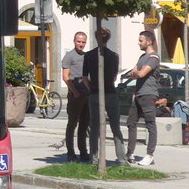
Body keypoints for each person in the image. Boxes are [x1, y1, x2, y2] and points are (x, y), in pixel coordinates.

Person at [83, 27, 123, 164]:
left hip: (95, 93)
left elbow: (84, 77)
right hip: (110, 92)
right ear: (108, 38)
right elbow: (114, 77)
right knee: (115, 127)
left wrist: (91, 88)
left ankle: (94, 158)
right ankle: (122, 158)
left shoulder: (88, 55)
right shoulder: (114, 56)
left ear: (96, 38)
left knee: (94, 127)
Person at [125, 29, 162, 167]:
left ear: (149, 42)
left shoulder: (154, 57)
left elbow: (140, 74)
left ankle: (150, 155)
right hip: (138, 94)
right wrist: (136, 72)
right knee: (131, 122)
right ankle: (130, 153)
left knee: (150, 123)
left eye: (141, 40)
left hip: (148, 94)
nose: (138, 43)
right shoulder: (142, 57)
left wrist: (136, 72)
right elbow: (133, 72)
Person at [61, 32, 90, 162]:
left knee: (84, 125)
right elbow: (65, 77)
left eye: (83, 42)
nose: (81, 44)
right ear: (74, 41)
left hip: (86, 95)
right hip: (75, 96)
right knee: (72, 125)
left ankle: (83, 152)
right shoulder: (69, 57)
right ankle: (71, 153)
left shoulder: (86, 56)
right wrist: (75, 92)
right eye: (79, 41)